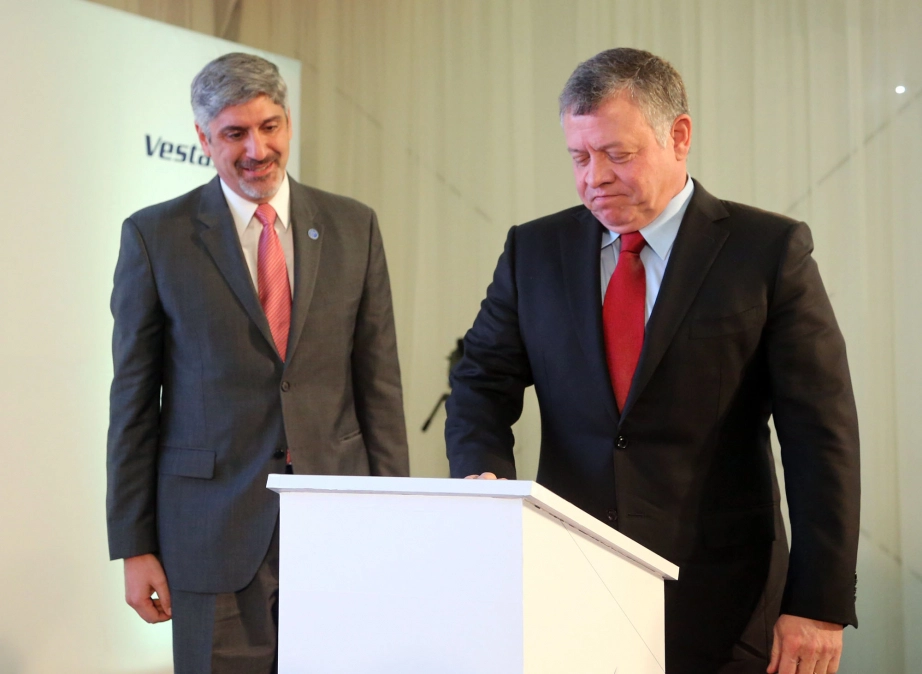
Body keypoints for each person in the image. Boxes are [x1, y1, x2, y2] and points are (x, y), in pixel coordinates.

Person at [445, 48, 859, 674]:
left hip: (724, 602)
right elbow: (480, 382)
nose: (595, 177)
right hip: (571, 587)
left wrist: (818, 603)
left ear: (679, 136)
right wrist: (485, 480)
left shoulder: (766, 252)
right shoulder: (535, 250)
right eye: (579, 157)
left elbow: (821, 436)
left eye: (618, 154)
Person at [106, 52, 409, 673]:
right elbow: (133, 405)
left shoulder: (354, 226)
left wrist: (395, 516)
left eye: (269, 127)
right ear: (203, 138)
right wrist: (134, 546)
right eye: (234, 133)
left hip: (338, 526)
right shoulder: (155, 237)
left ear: (288, 123)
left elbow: (379, 387)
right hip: (209, 536)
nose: (257, 149)